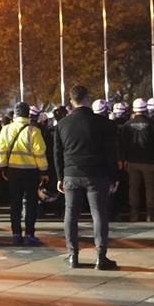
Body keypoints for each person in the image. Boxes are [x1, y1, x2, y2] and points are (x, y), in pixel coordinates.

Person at [54, 85, 119, 270]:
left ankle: (73, 255)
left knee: (71, 214)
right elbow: (111, 153)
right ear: (87, 99)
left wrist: (60, 176)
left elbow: (57, 153)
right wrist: (113, 176)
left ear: (71, 100)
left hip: (71, 174)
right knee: (99, 214)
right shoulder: (104, 123)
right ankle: (101, 256)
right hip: (97, 174)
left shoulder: (62, 124)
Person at [0, 101, 50, 246]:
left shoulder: (6, 130)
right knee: (31, 203)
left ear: (15, 114)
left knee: (15, 203)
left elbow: (1, 150)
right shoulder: (34, 131)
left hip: (12, 171)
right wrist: (44, 171)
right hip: (30, 172)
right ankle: (29, 234)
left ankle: (16, 234)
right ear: (28, 115)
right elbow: (40, 153)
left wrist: (4, 167)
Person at [120, 98, 154, 222]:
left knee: (133, 188)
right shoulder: (152, 124)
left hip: (132, 161)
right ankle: (151, 214)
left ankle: (134, 213)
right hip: (150, 161)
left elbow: (123, 144)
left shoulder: (127, 125)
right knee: (150, 188)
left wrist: (123, 159)